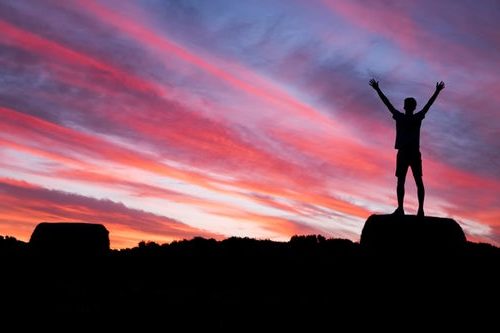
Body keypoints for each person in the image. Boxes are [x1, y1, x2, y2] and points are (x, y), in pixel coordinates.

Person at [369, 79, 445, 216]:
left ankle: (405, 209)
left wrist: (377, 89)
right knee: (415, 181)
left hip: (406, 152)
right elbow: (428, 105)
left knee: (404, 181)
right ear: (413, 107)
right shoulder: (415, 117)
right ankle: (415, 209)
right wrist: (437, 91)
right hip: (410, 152)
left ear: (405, 107)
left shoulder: (403, 117)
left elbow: (387, 104)